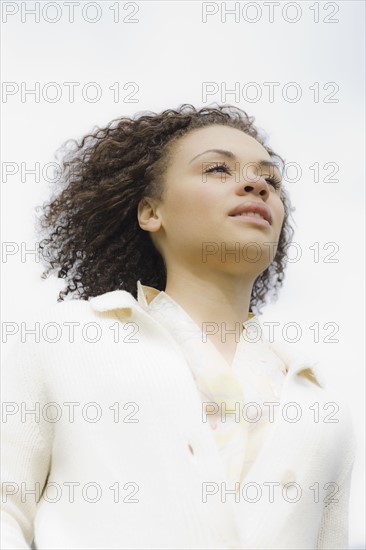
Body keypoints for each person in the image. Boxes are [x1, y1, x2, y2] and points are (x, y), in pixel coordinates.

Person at [1, 104, 356, 549]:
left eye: (272, 180)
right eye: (217, 169)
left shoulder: (321, 407)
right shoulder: (70, 339)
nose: (256, 185)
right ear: (151, 213)